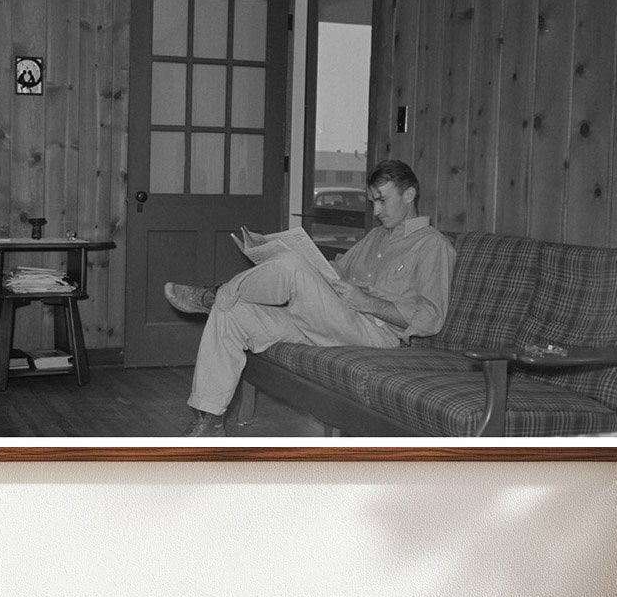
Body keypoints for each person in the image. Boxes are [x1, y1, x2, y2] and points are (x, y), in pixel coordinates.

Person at [164, 159, 456, 437]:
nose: (376, 210)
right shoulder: (377, 237)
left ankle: (215, 293)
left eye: (382, 199)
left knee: (284, 271)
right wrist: (297, 258)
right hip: (332, 318)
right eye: (373, 202)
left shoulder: (433, 245)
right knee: (233, 313)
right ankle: (210, 423)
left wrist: (367, 302)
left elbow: (431, 318)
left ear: (409, 194)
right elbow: (338, 270)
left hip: (376, 332)